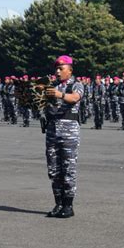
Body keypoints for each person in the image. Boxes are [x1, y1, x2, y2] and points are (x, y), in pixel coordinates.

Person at [44, 55, 84, 219]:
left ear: (70, 69)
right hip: (52, 131)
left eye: (61, 68)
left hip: (69, 133)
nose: (57, 71)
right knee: (54, 170)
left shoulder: (76, 85)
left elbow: (74, 98)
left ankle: (68, 205)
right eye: (56, 69)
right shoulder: (52, 86)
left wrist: (59, 94)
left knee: (68, 169)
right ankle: (58, 203)